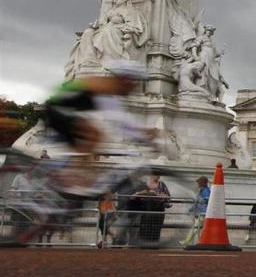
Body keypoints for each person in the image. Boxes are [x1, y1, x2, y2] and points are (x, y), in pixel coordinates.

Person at [42, 60, 156, 193]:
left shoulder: (108, 89)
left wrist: (141, 133)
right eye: (134, 83)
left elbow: (121, 120)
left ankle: (73, 181)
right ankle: (71, 179)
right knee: (95, 135)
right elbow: (120, 119)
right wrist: (145, 133)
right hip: (58, 109)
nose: (135, 87)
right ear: (125, 80)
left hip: (61, 109)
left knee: (91, 141)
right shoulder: (106, 87)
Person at [133, 173, 171, 245]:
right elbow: (134, 196)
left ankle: (154, 246)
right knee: (144, 229)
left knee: (156, 229)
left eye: (159, 175)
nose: (158, 176)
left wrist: (159, 195)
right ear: (151, 175)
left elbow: (168, 196)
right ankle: (143, 246)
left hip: (158, 211)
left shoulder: (162, 185)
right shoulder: (143, 184)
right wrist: (143, 193)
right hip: (145, 211)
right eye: (156, 175)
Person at [181, 176, 210, 246]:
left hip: (203, 213)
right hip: (200, 212)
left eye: (198, 182)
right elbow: (197, 203)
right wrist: (191, 209)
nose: (197, 184)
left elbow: (206, 200)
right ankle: (191, 241)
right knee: (197, 228)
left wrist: (194, 207)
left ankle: (188, 241)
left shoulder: (205, 191)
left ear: (202, 183)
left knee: (196, 227)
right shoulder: (202, 190)